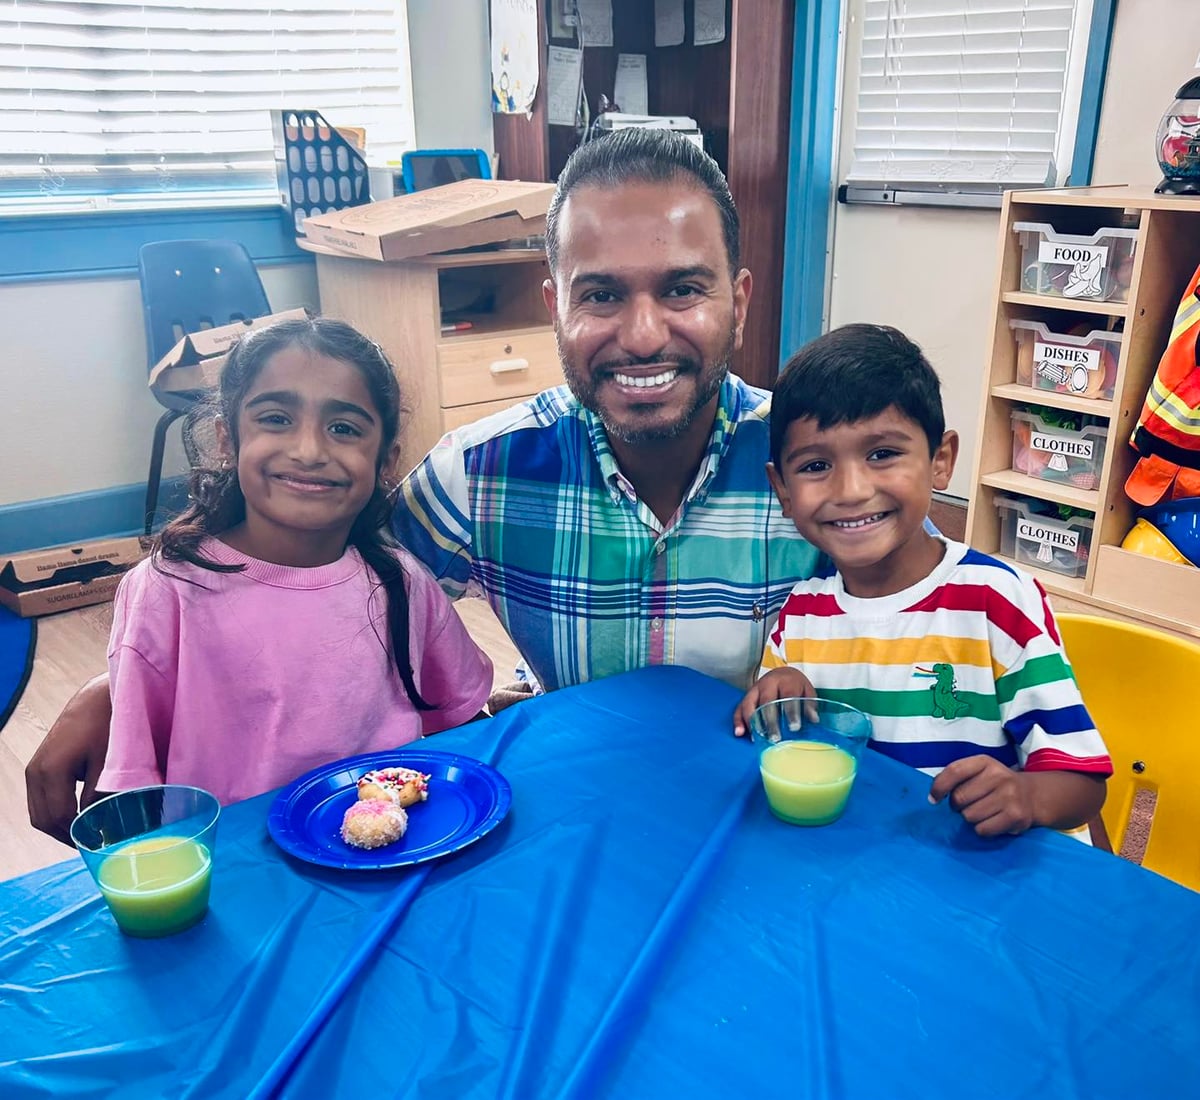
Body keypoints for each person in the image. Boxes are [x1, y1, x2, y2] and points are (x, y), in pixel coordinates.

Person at [28, 127, 822, 839]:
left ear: (740, 302)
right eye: (602, 294)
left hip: (771, 819)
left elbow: (922, 609)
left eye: (682, 288)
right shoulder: (479, 474)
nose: (644, 334)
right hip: (579, 821)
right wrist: (123, 679)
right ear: (554, 308)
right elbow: (322, 580)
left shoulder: (819, 470)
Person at [732, 324, 1110, 838]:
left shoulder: (996, 601)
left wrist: (1028, 794)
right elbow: (778, 722)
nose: (851, 489)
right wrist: (774, 691)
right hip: (869, 867)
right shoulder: (801, 613)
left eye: (882, 454)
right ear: (782, 489)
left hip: (983, 874)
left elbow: (1082, 783)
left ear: (940, 461)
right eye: (816, 465)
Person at [98, 317, 492, 805]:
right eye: (276, 419)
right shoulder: (167, 590)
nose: (309, 451)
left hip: (388, 863)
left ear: (385, 461)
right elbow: (131, 785)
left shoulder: (403, 582)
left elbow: (464, 728)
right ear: (227, 440)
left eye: (343, 428)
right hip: (238, 871)